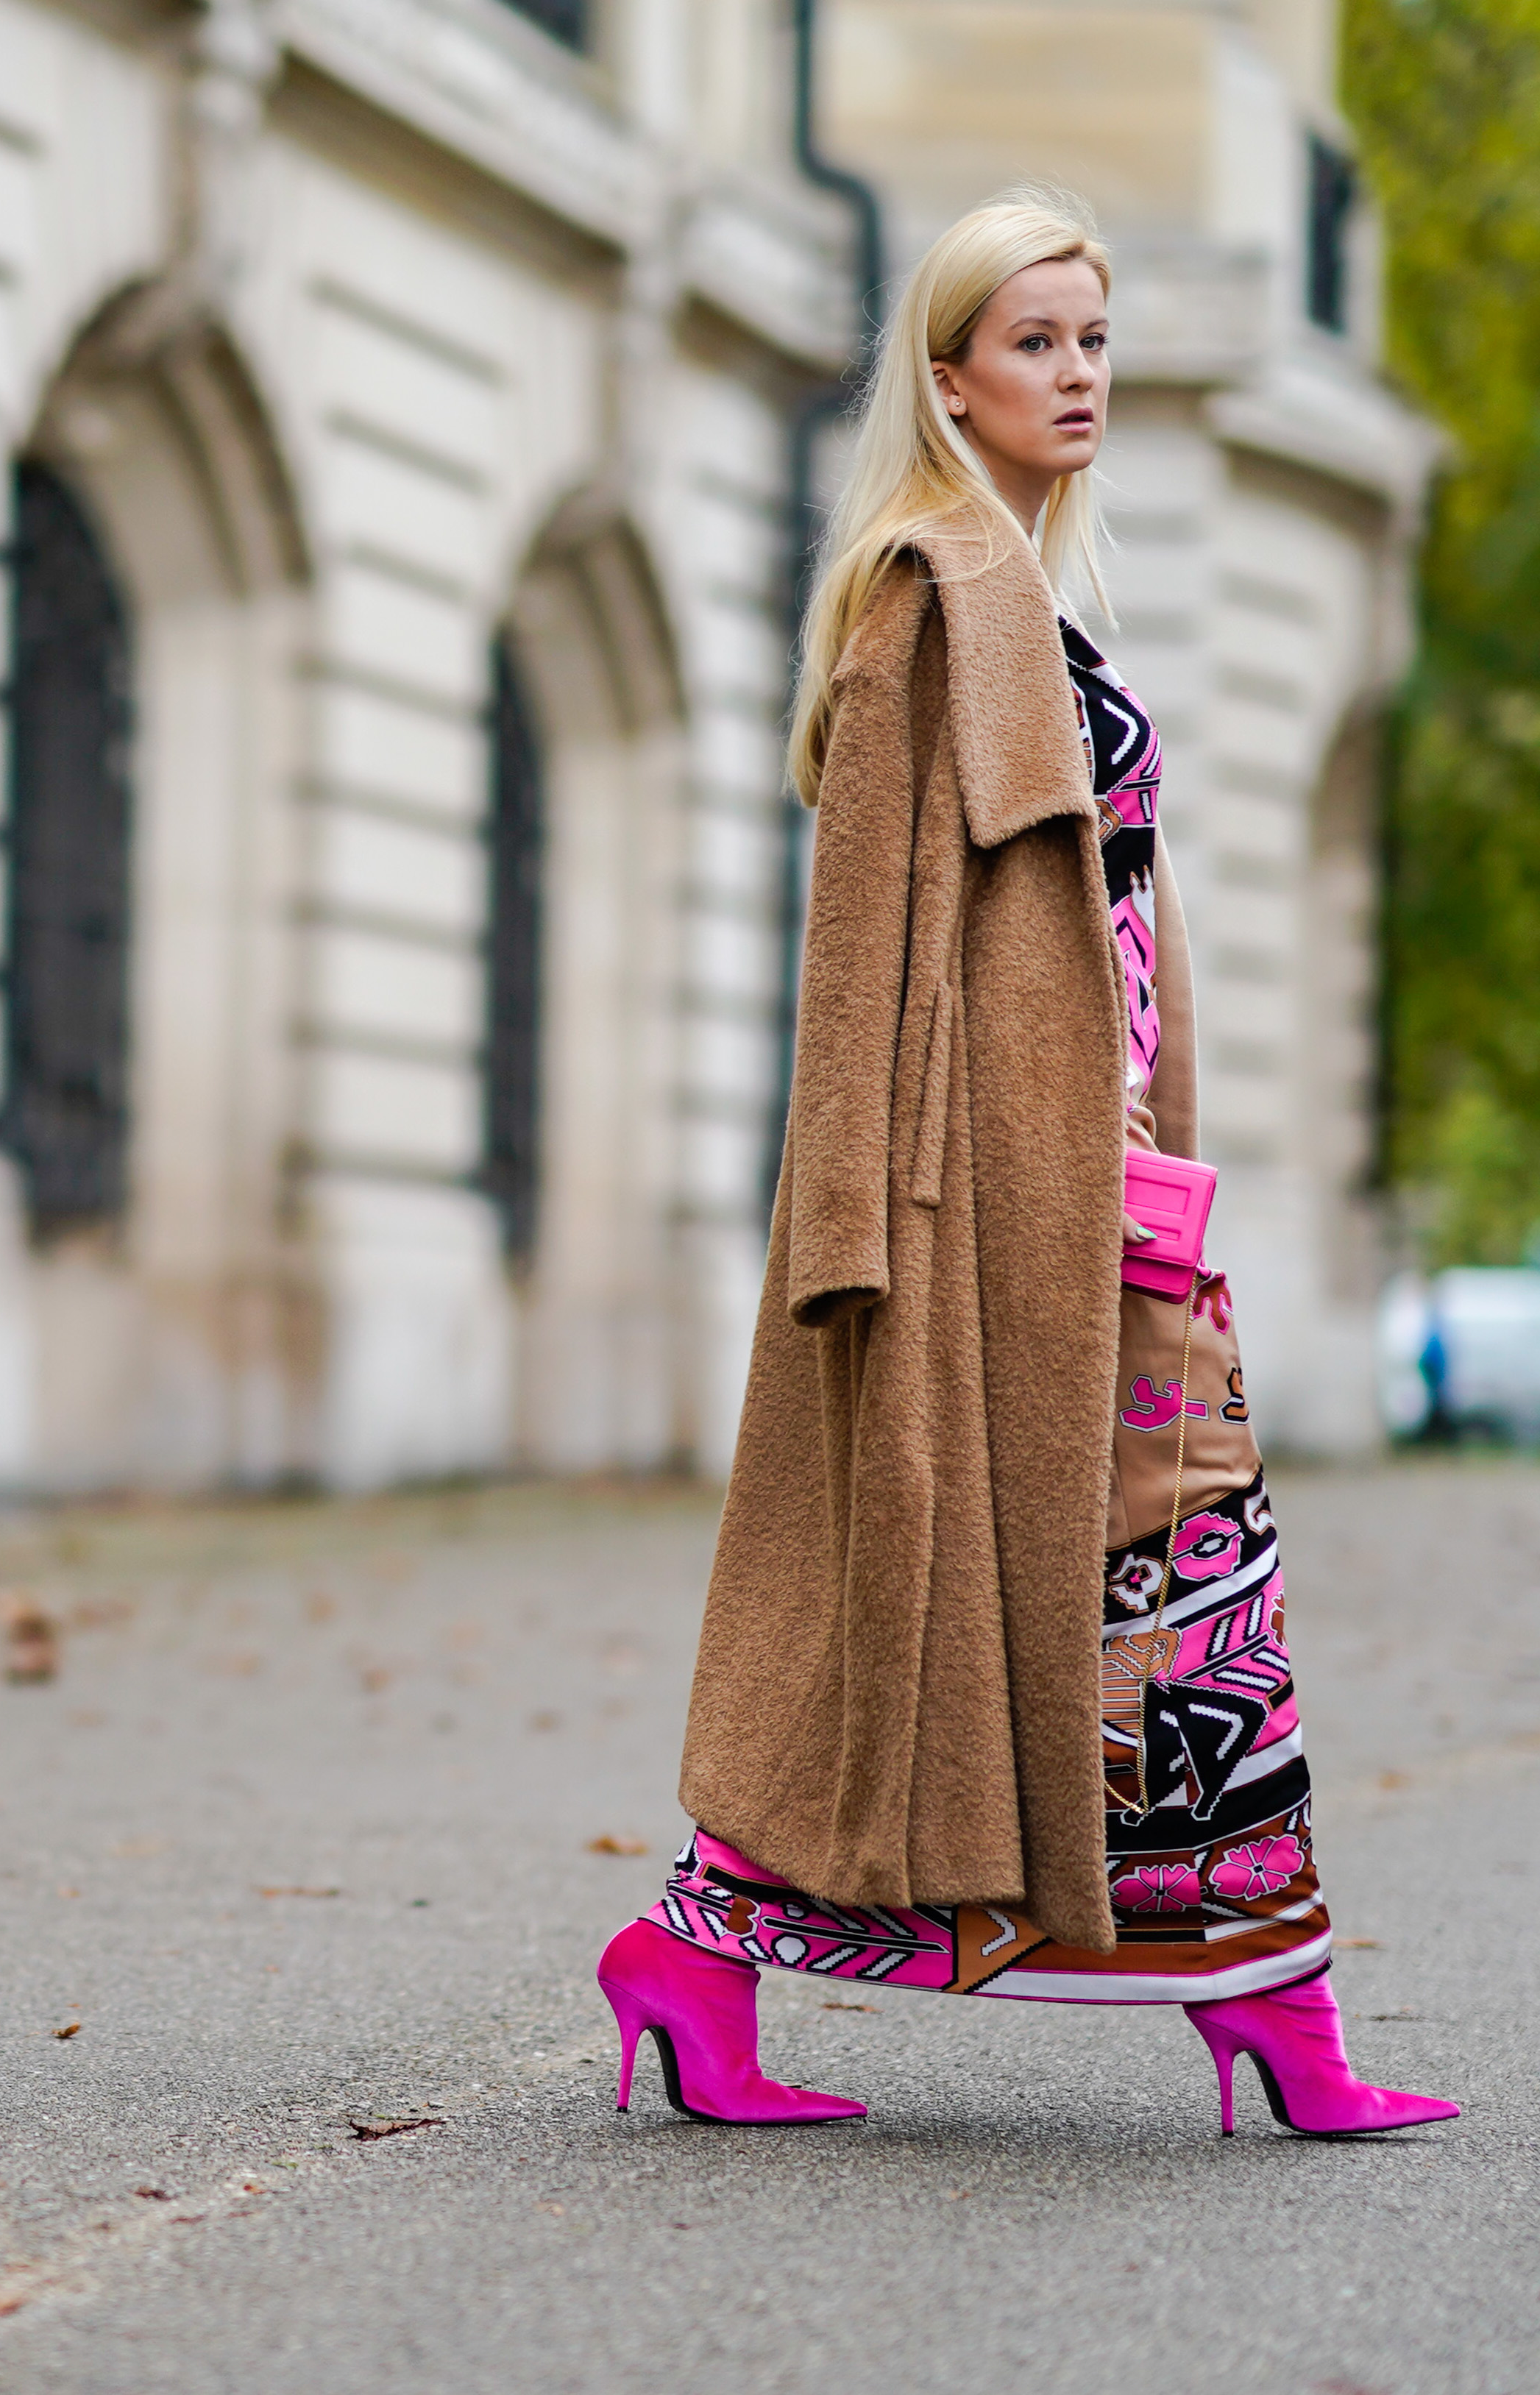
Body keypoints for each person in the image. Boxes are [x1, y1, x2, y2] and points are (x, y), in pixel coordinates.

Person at [593, 191, 1452, 2140]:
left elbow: (1118, 934)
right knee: (1069, 1602)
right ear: (951, 375)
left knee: (1162, 1597)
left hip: (1110, 1196)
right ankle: (721, 1949)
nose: (1081, 374)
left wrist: (1159, 1146)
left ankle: (1252, 2005)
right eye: (1038, 341)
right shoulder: (925, 592)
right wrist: (850, 1232)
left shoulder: (1034, 598)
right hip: (981, 1213)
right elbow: (861, 936)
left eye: (1093, 337)